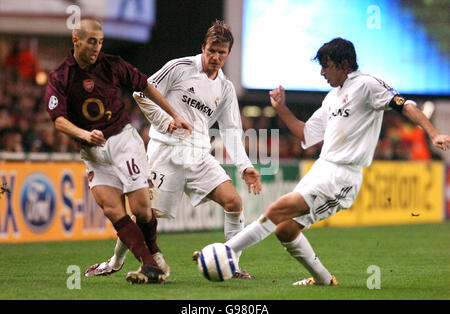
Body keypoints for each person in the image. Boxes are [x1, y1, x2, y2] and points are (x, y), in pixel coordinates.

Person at [219, 37, 450, 286]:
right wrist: (282, 109)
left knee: (277, 210)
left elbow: (405, 106)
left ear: (344, 64)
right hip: (322, 169)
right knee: (285, 229)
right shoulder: (331, 98)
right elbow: (306, 134)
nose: (322, 72)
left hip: (343, 176)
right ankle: (324, 280)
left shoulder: (367, 85)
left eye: (326, 66)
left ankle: (223, 253)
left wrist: (433, 132)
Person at [85, 20, 262, 279]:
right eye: (211, 50)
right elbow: (141, 93)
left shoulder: (225, 88)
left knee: (233, 201)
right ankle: (115, 262)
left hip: (199, 155)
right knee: (145, 214)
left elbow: (231, 131)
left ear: (228, 54)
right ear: (203, 47)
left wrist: (245, 166)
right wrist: (166, 121)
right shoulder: (180, 68)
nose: (215, 56)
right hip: (166, 151)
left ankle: (230, 264)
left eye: (221, 52)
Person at [45, 19, 191, 284]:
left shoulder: (112, 64)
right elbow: (58, 119)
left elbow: (145, 85)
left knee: (142, 209)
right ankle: (150, 264)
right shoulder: (60, 77)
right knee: (112, 209)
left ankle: (153, 253)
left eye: (100, 42)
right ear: (76, 40)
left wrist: (174, 114)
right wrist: (83, 134)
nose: (96, 48)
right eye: (91, 41)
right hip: (93, 152)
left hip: (123, 141)